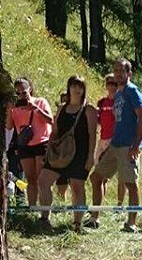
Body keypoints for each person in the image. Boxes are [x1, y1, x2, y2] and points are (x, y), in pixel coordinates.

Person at [86, 58, 142, 232]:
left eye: (122, 70)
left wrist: (136, 145)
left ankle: (131, 223)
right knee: (96, 178)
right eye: (116, 70)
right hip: (115, 143)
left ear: (129, 73)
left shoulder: (132, 91)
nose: (118, 73)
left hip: (128, 145)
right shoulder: (119, 94)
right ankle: (94, 218)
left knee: (130, 183)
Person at [37, 75, 97, 231]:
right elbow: (55, 131)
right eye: (74, 86)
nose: (77, 90)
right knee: (43, 181)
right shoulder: (62, 107)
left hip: (80, 154)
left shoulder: (89, 110)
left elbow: (92, 135)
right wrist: (49, 150)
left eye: (80, 86)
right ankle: (44, 217)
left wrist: (91, 156)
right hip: (59, 153)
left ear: (84, 89)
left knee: (77, 187)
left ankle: (77, 223)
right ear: (68, 88)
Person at [6, 77, 53, 206]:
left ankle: (44, 213)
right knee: (30, 179)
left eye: (24, 92)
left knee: (41, 180)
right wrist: (10, 109)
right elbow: (9, 126)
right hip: (25, 146)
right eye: (18, 93)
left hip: (41, 143)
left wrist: (35, 109)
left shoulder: (40, 102)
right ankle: (32, 208)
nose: (21, 96)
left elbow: (50, 120)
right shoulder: (15, 109)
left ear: (30, 90)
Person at [96, 73, 125, 205]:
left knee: (122, 176)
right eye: (109, 83)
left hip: (116, 140)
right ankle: (99, 204)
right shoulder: (102, 102)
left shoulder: (120, 102)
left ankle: (119, 205)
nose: (112, 86)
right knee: (100, 176)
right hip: (103, 139)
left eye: (115, 84)